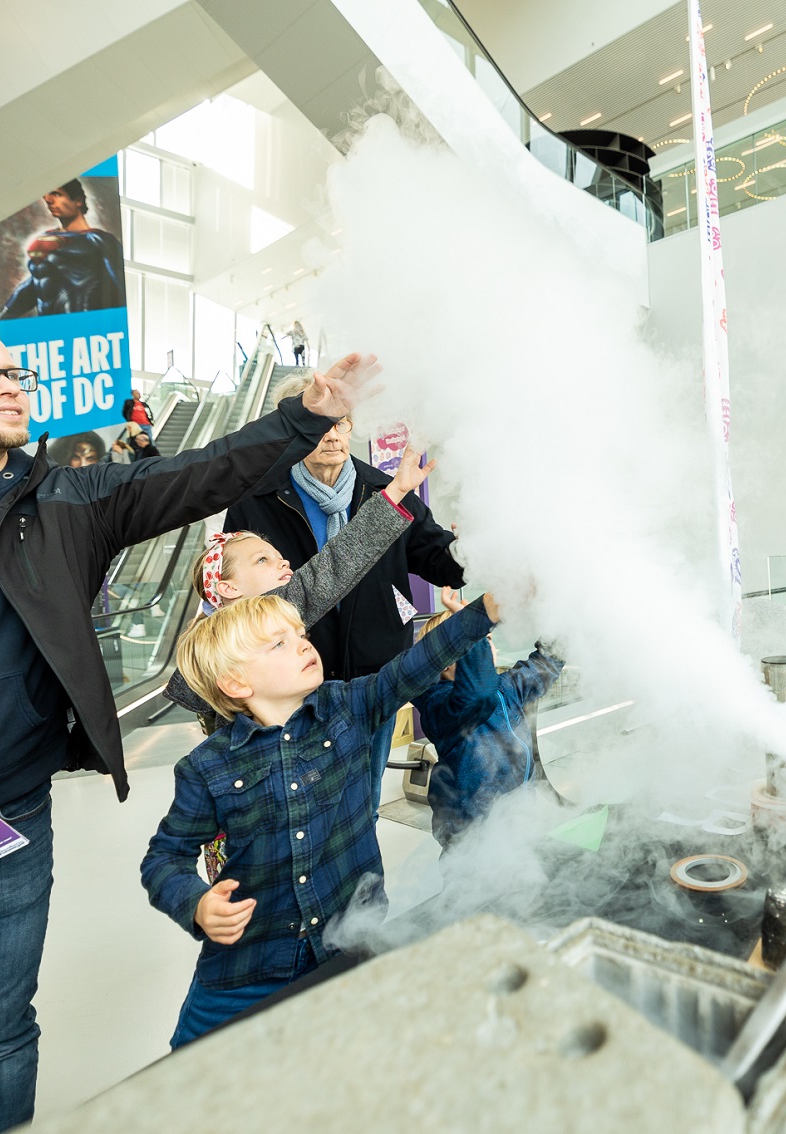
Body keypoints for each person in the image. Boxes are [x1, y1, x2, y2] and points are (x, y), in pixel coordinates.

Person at [0, 318, 370, 1134]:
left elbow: (203, 471)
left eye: (11, 371)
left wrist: (305, 417)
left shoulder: (68, 502)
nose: (9, 385)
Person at [142, 589, 503, 1047]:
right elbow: (164, 858)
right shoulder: (205, 767)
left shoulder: (350, 707)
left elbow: (414, 665)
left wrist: (485, 611)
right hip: (248, 968)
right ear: (235, 684)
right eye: (278, 643)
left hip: (349, 944)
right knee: (194, 1077)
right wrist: (195, 904)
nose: (302, 644)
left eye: (300, 634)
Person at [224, 373, 464, 815]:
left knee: (362, 806)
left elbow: (438, 560)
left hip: (373, 676)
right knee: (302, 811)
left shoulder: (384, 489)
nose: (333, 435)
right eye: (320, 424)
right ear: (294, 430)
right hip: (292, 684)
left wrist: (474, 548)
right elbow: (239, 598)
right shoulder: (256, 500)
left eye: (342, 422)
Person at [163, 445, 436, 734]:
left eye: (278, 556)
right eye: (262, 560)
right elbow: (339, 562)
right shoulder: (266, 614)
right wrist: (396, 491)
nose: (283, 563)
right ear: (228, 587)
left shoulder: (209, 645)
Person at [414, 587, 564, 846]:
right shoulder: (438, 705)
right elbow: (474, 695)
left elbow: (546, 663)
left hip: (520, 823)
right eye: (471, 642)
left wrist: (558, 614)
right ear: (443, 661)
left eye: (487, 640)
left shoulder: (507, 688)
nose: (485, 646)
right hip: (471, 839)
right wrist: (472, 625)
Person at [0, 179, 126, 320]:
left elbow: (120, 288)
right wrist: (5, 316)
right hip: (51, 331)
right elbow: (36, 281)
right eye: (46, 195)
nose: (49, 200)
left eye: (57, 194)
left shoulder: (99, 241)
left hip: (86, 327)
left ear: (77, 201)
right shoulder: (46, 239)